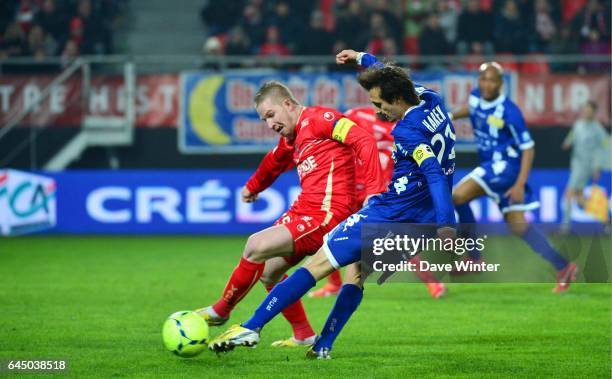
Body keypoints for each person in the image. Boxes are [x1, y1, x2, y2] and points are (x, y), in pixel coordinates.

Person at [208, 50, 457, 358]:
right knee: (355, 275)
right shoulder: (430, 97)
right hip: (423, 216)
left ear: (396, 99)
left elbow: (431, 170)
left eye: (380, 105)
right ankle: (322, 346)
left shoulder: (406, 131)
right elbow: (391, 77)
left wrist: (448, 222)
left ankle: (251, 326)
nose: (379, 112)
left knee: (317, 265)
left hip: (392, 210)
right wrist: (364, 59)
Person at [196, 80, 386, 348]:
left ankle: (221, 311)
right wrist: (253, 186)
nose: (269, 124)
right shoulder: (292, 139)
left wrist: (374, 190)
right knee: (269, 274)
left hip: (327, 213)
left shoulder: (321, 119)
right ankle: (303, 334)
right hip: (304, 211)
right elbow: (273, 162)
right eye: (264, 120)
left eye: (271, 115)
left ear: (288, 103)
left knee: (255, 246)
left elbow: (362, 138)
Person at [450, 62, 577, 292]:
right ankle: (564, 266)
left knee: (457, 196)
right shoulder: (476, 96)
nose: (486, 84)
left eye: (491, 80)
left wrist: (519, 184)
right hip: (492, 167)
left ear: (501, 83)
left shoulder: (510, 112)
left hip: (506, 169)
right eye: (483, 79)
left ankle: (474, 258)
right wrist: (450, 116)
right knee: (519, 227)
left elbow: (528, 148)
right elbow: (471, 108)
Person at [309, 106, 447, 300]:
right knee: (330, 231)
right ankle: (334, 284)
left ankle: (432, 282)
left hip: (382, 190)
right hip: (351, 186)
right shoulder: (356, 115)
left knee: (396, 240)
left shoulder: (405, 127)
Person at [561, 101, 608, 232]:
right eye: (585, 109)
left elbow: (604, 147)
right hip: (576, 164)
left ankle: (565, 226)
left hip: (585, 166)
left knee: (568, 193)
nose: (586, 112)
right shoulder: (578, 125)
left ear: (594, 112)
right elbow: (570, 138)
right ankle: (607, 221)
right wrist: (567, 143)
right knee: (580, 199)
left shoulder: (597, 129)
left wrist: (598, 166)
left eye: (589, 110)